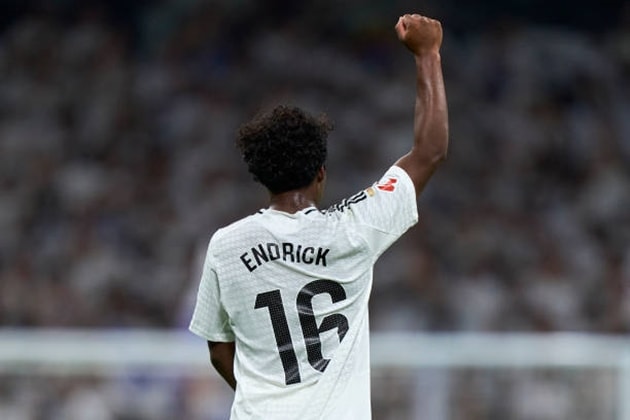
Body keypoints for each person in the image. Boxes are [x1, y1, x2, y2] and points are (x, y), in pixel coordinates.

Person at [189, 13, 448, 419]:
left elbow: (219, 350)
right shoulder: (353, 229)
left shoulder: (227, 245)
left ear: (261, 176)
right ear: (321, 174)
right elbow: (429, 152)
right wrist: (428, 54)